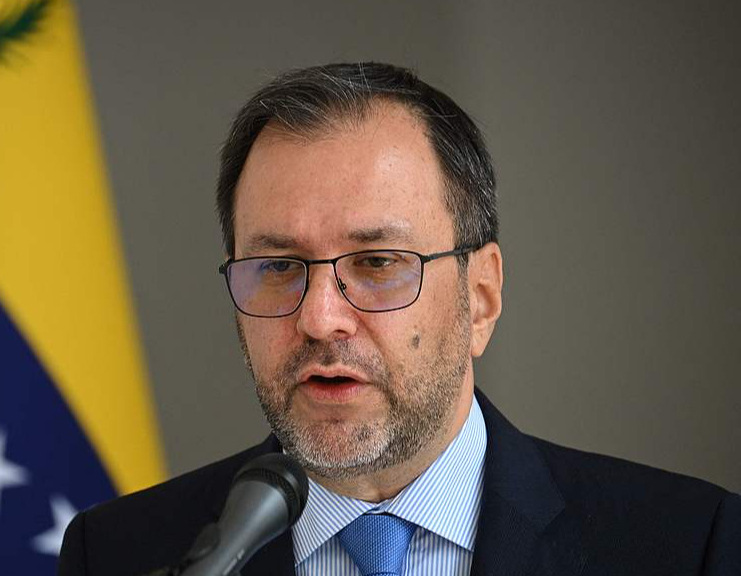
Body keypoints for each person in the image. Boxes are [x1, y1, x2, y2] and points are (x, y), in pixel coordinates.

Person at [58, 62, 739, 575]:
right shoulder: (120, 552)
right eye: (279, 266)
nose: (322, 319)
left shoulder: (688, 543)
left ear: (481, 296)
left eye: (378, 262)